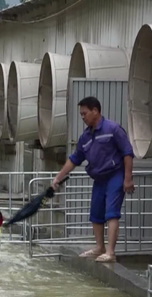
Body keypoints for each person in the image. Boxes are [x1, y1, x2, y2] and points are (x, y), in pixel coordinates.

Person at [52, 96, 135, 263]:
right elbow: (74, 159)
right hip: (99, 178)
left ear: (95, 111)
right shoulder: (85, 137)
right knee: (96, 214)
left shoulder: (113, 129)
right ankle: (100, 247)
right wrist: (58, 178)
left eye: (85, 113)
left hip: (115, 174)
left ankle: (110, 252)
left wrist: (127, 178)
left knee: (112, 213)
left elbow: (127, 153)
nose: (82, 117)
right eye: (81, 114)